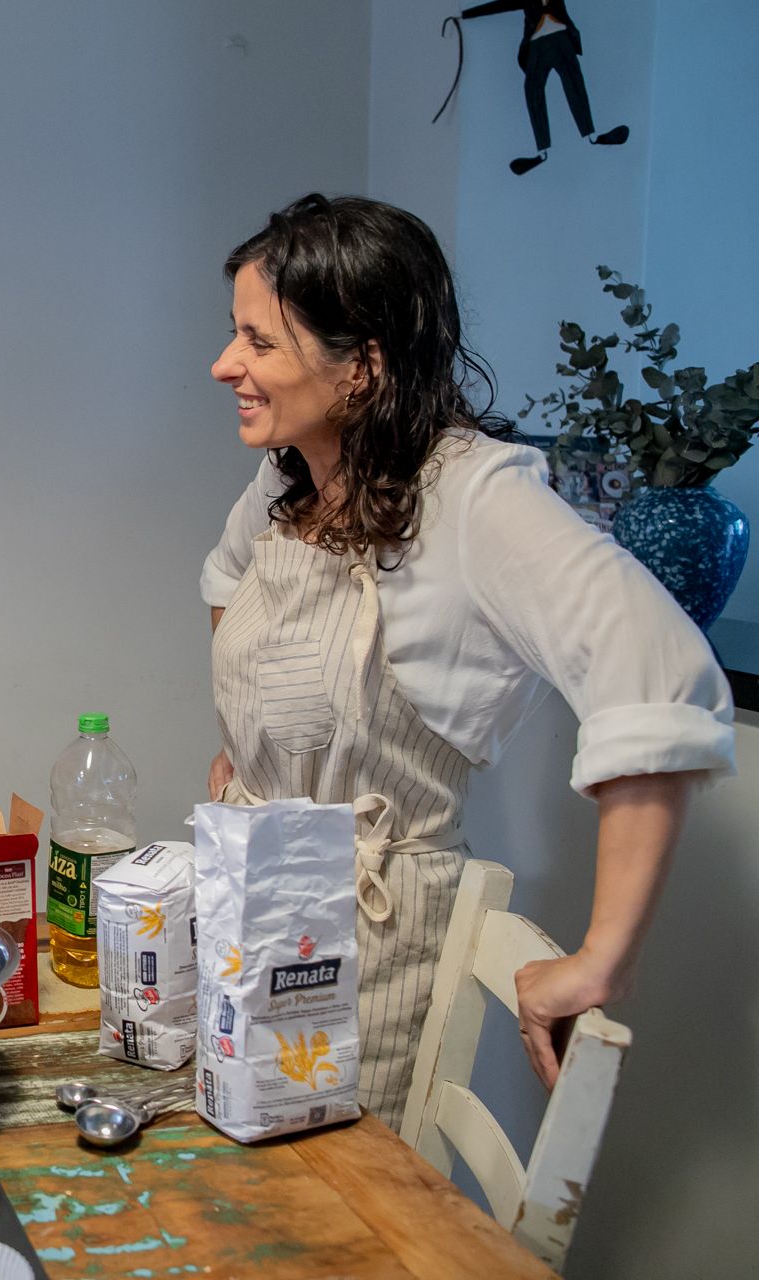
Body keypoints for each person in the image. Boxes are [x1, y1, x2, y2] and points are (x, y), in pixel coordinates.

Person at [201, 195, 732, 1128]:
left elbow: (657, 674)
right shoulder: (288, 480)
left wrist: (604, 957)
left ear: (360, 366)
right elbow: (229, 586)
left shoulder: (475, 497)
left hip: (373, 945)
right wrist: (248, 749)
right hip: (259, 911)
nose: (225, 365)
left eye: (259, 341)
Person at [460, 1, 629, 175]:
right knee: (533, 90)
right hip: (537, 44)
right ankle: (541, 151)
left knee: (574, 83)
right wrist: (465, 15)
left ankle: (593, 136)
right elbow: (499, 6)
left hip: (561, 38)